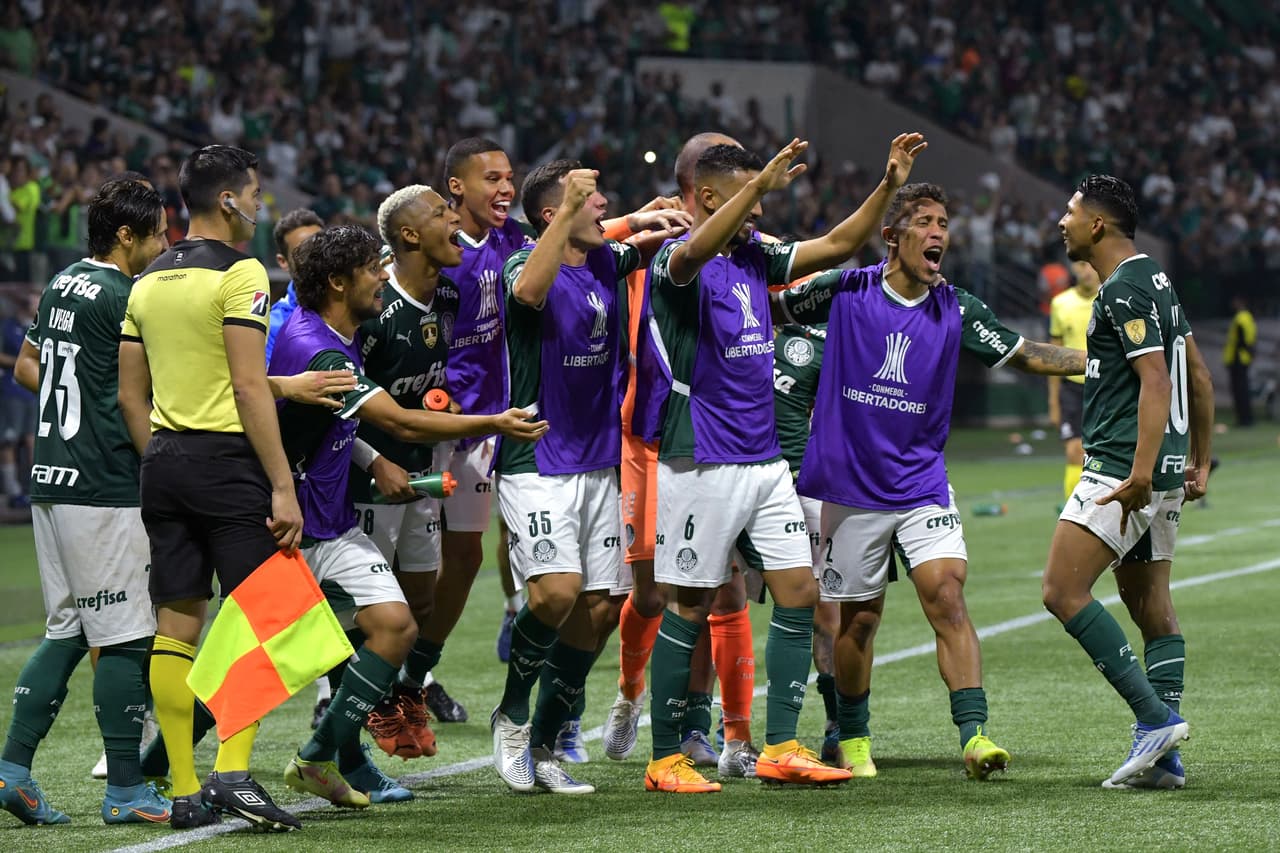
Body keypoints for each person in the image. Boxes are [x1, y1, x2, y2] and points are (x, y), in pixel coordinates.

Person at [632, 133, 927, 792]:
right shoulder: (677, 260)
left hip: (764, 459)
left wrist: (887, 185)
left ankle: (781, 745)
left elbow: (834, 246)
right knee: (689, 602)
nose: (762, 208)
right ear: (709, 197)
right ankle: (663, 757)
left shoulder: (754, 255)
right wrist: (757, 191)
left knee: (800, 590)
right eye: (746, 192)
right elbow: (695, 251)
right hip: (701, 456)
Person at [777, 182, 1089, 780]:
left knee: (947, 594)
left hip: (921, 482)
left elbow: (1025, 353)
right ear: (892, 237)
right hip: (848, 488)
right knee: (859, 619)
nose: (939, 231)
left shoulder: (958, 308)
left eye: (944, 221)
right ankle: (856, 737)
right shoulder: (844, 290)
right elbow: (765, 302)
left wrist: (1102, 362)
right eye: (924, 220)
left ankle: (975, 736)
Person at [268, 224, 548, 808]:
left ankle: (329, 755)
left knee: (391, 626)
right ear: (340, 282)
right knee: (253, 664)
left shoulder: (339, 333)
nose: (383, 274)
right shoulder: (316, 343)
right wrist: (493, 422)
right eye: (374, 266)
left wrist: (370, 461)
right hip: (291, 525)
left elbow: (355, 424)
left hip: (331, 518)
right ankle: (147, 765)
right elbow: (396, 421)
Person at [117, 144, 306, 832]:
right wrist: (282, 485)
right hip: (228, 464)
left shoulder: (147, 280)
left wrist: (163, 458)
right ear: (227, 200)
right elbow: (250, 384)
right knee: (266, 614)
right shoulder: (242, 272)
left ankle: (184, 789)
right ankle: (232, 772)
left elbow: (129, 396)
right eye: (253, 193)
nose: (259, 205)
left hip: (163, 462)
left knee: (178, 626)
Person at [490, 160, 680, 794]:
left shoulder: (604, 261)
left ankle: (545, 744)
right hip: (537, 459)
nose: (605, 209)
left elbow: (641, 238)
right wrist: (574, 208)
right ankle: (511, 718)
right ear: (556, 214)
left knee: (600, 609)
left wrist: (654, 218)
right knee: (554, 594)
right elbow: (526, 296)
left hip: (599, 461)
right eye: (591, 200)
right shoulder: (523, 263)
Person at [0, 178, 173, 827]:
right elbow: (153, 391)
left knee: (70, 627)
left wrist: (75, 410)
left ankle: (11, 769)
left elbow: (26, 367)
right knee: (126, 636)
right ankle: (127, 788)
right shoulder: (127, 297)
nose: (164, 244)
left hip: (52, 478)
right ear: (126, 235)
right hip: (102, 486)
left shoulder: (64, 281)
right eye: (157, 232)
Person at [1042, 175, 1214, 789]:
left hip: (1123, 468)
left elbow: (1156, 382)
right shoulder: (1157, 279)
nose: (1061, 221)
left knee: (1062, 591)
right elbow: (1197, 372)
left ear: (1097, 226)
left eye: (1069, 211)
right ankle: (1164, 762)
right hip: (1164, 468)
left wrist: (1140, 473)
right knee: (1150, 607)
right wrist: (1197, 459)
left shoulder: (1121, 290)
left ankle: (1154, 720)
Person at [604, 133, 759, 781]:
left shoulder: (747, 249)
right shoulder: (658, 237)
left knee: (723, 585)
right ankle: (631, 694)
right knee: (652, 589)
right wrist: (632, 220)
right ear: (702, 188)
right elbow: (560, 251)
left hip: (713, 437)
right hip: (645, 436)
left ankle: (725, 732)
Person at [349, 185, 469, 764]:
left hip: (424, 478)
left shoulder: (450, 296)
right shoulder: (373, 312)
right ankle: (361, 708)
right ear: (409, 236)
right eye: (443, 213)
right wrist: (373, 459)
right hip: (368, 482)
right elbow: (337, 404)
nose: (455, 221)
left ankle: (402, 691)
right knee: (371, 609)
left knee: (421, 599)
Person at [769, 319, 840, 764]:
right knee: (721, 602)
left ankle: (837, 721)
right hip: (738, 475)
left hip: (805, 483)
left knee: (824, 609)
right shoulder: (723, 321)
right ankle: (724, 728)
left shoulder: (817, 340)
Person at [1049, 260, 1101, 501]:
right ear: (1073, 267)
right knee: (1073, 451)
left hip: (1103, 385)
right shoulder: (1061, 304)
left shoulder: (1109, 298)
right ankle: (1073, 510)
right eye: (1081, 264)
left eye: (1090, 264)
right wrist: (1053, 402)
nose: (1086, 270)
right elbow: (1053, 353)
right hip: (1071, 386)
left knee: (1101, 454)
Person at [265, 208, 325, 362]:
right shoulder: (274, 327)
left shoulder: (355, 304)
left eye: (321, 247)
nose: (315, 258)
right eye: (303, 252)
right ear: (283, 262)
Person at [0, 291, 37, 508]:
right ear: (24, 304)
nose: (39, 305)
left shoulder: (33, 328)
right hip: (11, 392)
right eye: (35, 301)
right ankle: (13, 491)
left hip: (31, 392)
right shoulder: (7, 327)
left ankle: (32, 489)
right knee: (9, 441)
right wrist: (21, 363)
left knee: (33, 441)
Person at [1224, 295, 1256, 427]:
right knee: (1243, 390)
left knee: (1239, 391)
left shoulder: (1240, 318)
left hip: (1238, 359)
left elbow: (1241, 340)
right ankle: (1246, 418)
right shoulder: (1248, 317)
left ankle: (1244, 419)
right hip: (1244, 358)